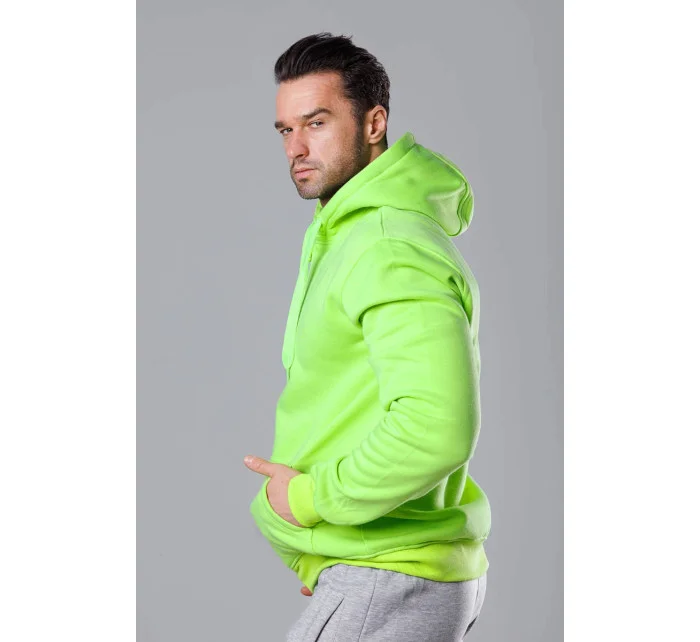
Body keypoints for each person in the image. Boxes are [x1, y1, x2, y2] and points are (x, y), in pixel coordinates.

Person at [244, 32, 490, 641]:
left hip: (386, 578)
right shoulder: (350, 235)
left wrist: (309, 502)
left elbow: (435, 426)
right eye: (285, 130)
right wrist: (321, 548)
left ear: (374, 122)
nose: (296, 147)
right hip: (376, 573)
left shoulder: (387, 245)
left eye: (316, 122)